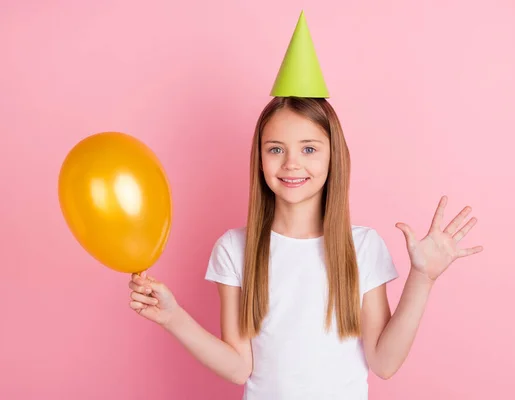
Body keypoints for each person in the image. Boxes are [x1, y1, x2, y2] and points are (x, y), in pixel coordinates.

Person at [127, 11, 483, 400]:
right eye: (275, 149)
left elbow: (384, 363)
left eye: (309, 149)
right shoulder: (234, 248)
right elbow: (238, 367)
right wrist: (173, 317)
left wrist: (423, 278)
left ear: (333, 158)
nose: (291, 163)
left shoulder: (362, 248)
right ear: (259, 159)